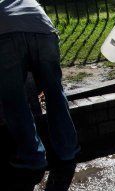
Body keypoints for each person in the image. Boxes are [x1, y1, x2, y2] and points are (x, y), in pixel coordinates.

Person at [0, 0, 79, 170]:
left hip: (5, 35)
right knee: (55, 92)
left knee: (14, 99)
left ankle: (32, 156)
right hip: (43, 30)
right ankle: (67, 150)